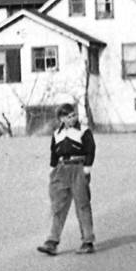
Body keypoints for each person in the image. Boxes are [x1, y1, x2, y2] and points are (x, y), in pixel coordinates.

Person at [37, 101, 96, 256]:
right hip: (61, 169)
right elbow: (54, 153)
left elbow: (91, 150)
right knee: (58, 206)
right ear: (61, 119)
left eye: (74, 115)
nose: (72, 118)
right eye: (68, 116)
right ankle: (52, 241)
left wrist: (87, 168)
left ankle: (87, 241)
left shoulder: (83, 131)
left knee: (82, 204)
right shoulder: (57, 134)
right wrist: (52, 170)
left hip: (78, 168)